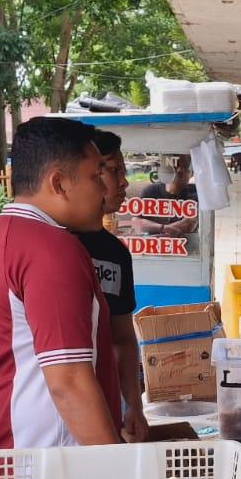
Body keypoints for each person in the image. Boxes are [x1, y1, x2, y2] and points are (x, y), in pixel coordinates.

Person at [0, 117, 122, 449]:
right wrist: (122, 473)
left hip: (9, 455)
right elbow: (68, 383)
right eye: (96, 175)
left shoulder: (5, 235)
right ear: (59, 183)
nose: (104, 190)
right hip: (42, 471)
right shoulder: (51, 250)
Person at [76, 130, 148, 442]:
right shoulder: (52, 246)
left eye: (123, 171)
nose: (124, 182)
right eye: (113, 170)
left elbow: (122, 338)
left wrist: (133, 404)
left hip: (106, 407)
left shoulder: (116, 253)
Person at [134, 155, 199, 235]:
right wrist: (164, 228)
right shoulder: (150, 191)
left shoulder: (196, 193)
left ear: (191, 173)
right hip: (155, 244)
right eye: (175, 166)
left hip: (185, 244)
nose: (179, 170)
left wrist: (161, 230)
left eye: (185, 167)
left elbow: (188, 224)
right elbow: (136, 222)